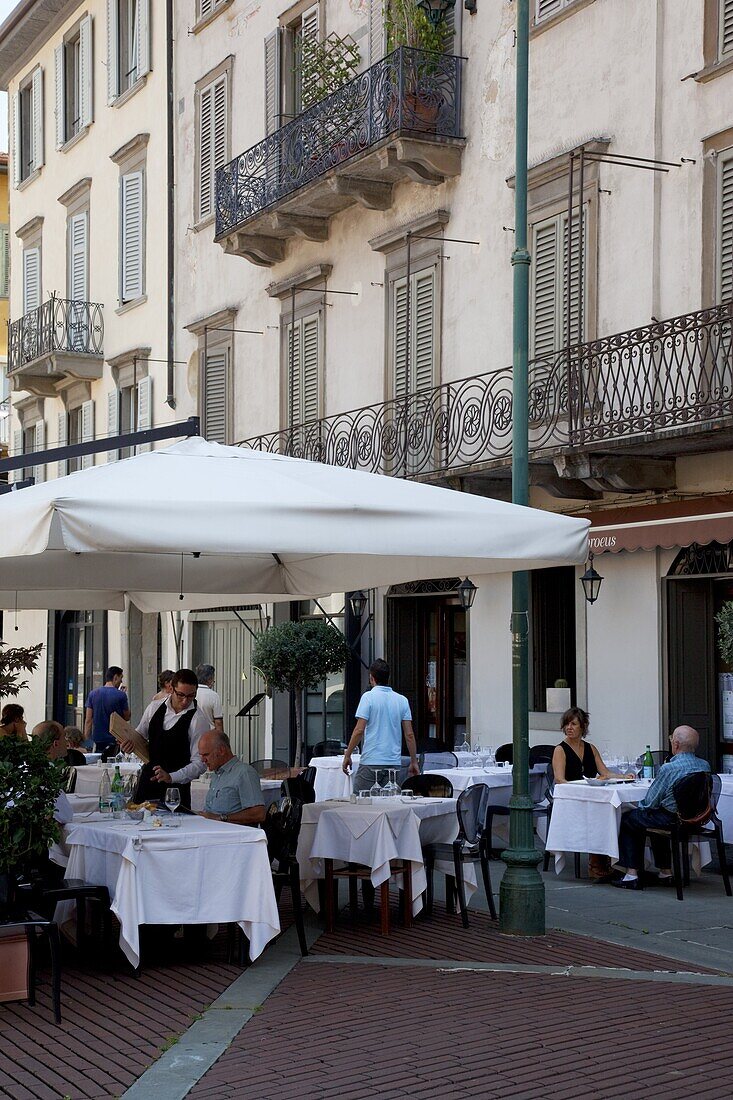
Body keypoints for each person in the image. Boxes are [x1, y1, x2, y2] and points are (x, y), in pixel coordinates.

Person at [613, 725, 711, 891]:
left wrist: (635, 806)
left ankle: (631, 875)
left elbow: (651, 802)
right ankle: (665, 872)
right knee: (654, 816)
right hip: (694, 819)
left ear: (676, 745)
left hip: (671, 819)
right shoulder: (704, 765)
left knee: (630, 819)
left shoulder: (669, 768)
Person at [552, 707, 633, 880]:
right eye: (566, 724)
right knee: (601, 813)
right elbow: (560, 779)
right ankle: (596, 864)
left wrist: (624, 776)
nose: (569, 728)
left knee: (615, 810)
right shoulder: (560, 750)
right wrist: (580, 788)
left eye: (573, 724)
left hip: (592, 796)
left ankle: (610, 860)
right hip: (572, 799)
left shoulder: (590, 748)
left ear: (583, 726)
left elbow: (604, 772)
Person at [123, 668, 208, 809]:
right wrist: (126, 745)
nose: (185, 700)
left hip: (175, 791)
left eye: (191, 696)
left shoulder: (198, 719)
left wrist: (172, 776)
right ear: (171, 689)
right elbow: (138, 736)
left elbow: (200, 763)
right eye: (180, 695)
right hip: (147, 784)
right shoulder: (154, 707)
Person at [343, 658, 419, 793]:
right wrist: (414, 761)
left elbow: (359, 730)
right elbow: (409, 735)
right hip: (393, 762)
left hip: (371, 760)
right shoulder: (402, 700)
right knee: (389, 803)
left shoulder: (368, 697)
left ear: (372, 678)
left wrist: (348, 754)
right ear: (388, 677)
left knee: (359, 802)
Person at [197, 730, 265, 826]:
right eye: (201, 755)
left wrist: (221, 818)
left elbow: (258, 814)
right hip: (211, 830)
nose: (202, 760)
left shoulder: (244, 772)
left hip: (232, 836)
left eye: (206, 755)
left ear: (221, 750)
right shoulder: (217, 773)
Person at [31, 721, 74, 825]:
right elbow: (65, 815)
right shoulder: (46, 772)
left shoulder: (22, 767)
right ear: (56, 743)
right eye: (64, 737)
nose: (67, 742)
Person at [84, 667, 131, 755]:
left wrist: (86, 740)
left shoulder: (93, 694)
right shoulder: (121, 695)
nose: (121, 681)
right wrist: (123, 695)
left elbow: (88, 720)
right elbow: (127, 717)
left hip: (98, 739)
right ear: (115, 677)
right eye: (121, 678)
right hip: (115, 739)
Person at [194, 664, 224, 733]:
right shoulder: (214, 696)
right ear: (209, 679)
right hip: (209, 735)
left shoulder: (191, 693)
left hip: (193, 733)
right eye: (213, 680)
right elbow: (218, 722)